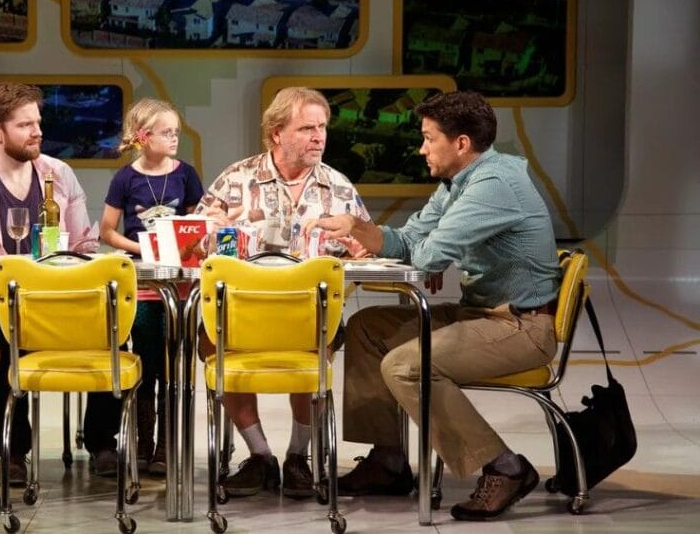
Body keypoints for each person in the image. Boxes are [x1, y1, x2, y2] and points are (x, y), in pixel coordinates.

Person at [310, 91, 561, 521]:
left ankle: (505, 466)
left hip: (521, 327)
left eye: (429, 139)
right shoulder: (459, 183)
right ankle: (389, 461)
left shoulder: (493, 185)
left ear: (461, 143)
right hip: (480, 313)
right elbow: (409, 240)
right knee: (368, 328)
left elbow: (428, 257)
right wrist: (358, 230)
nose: (421, 149)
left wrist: (390, 240)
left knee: (405, 366)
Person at [195, 87, 371, 499]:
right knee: (210, 338)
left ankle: (297, 457)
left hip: (307, 320)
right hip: (242, 318)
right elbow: (196, 245)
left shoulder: (338, 187)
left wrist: (359, 248)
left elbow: (365, 247)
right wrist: (213, 231)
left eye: (322, 127)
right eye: (307, 128)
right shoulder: (236, 179)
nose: (318, 136)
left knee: (315, 341)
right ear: (276, 133)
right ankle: (260, 456)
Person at [0, 82, 126, 485]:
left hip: (59, 301)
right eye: (25, 125)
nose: (37, 132)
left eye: (38, 123)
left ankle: (102, 441)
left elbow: (83, 246)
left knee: (115, 327)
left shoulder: (58, 174)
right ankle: (12, 449)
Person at [99, 98, 205, 475]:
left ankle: (166, 445)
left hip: (177, 286)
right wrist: (143, 248)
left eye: (176, 132)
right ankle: (144, 442)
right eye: (166, 132)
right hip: (142, 284)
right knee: (145, 361)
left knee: (172, 364)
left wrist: (186, 243)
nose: (174, 138)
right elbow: (107, 231)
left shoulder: (186, 174)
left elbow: (197, 224)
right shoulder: (125, 178)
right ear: (144, 137)